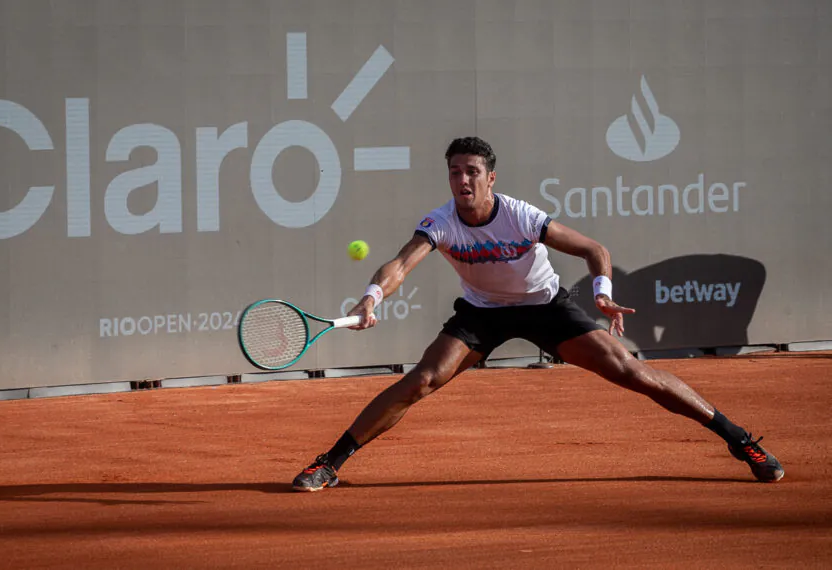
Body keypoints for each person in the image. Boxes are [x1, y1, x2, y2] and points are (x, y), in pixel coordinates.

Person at [292, 136, 784, 491]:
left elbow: (594, 249)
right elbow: (401, 263)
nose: (462, 180)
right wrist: (372, 298)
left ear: (490, 178)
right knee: (422, 379)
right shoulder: (439, 223)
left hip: (544, 306)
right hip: (483, 314)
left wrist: (603, 292)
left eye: (471, 172)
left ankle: (740, 441)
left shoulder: (522, 216)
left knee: (631, 372)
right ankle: (330, 463)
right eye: (454, 172)